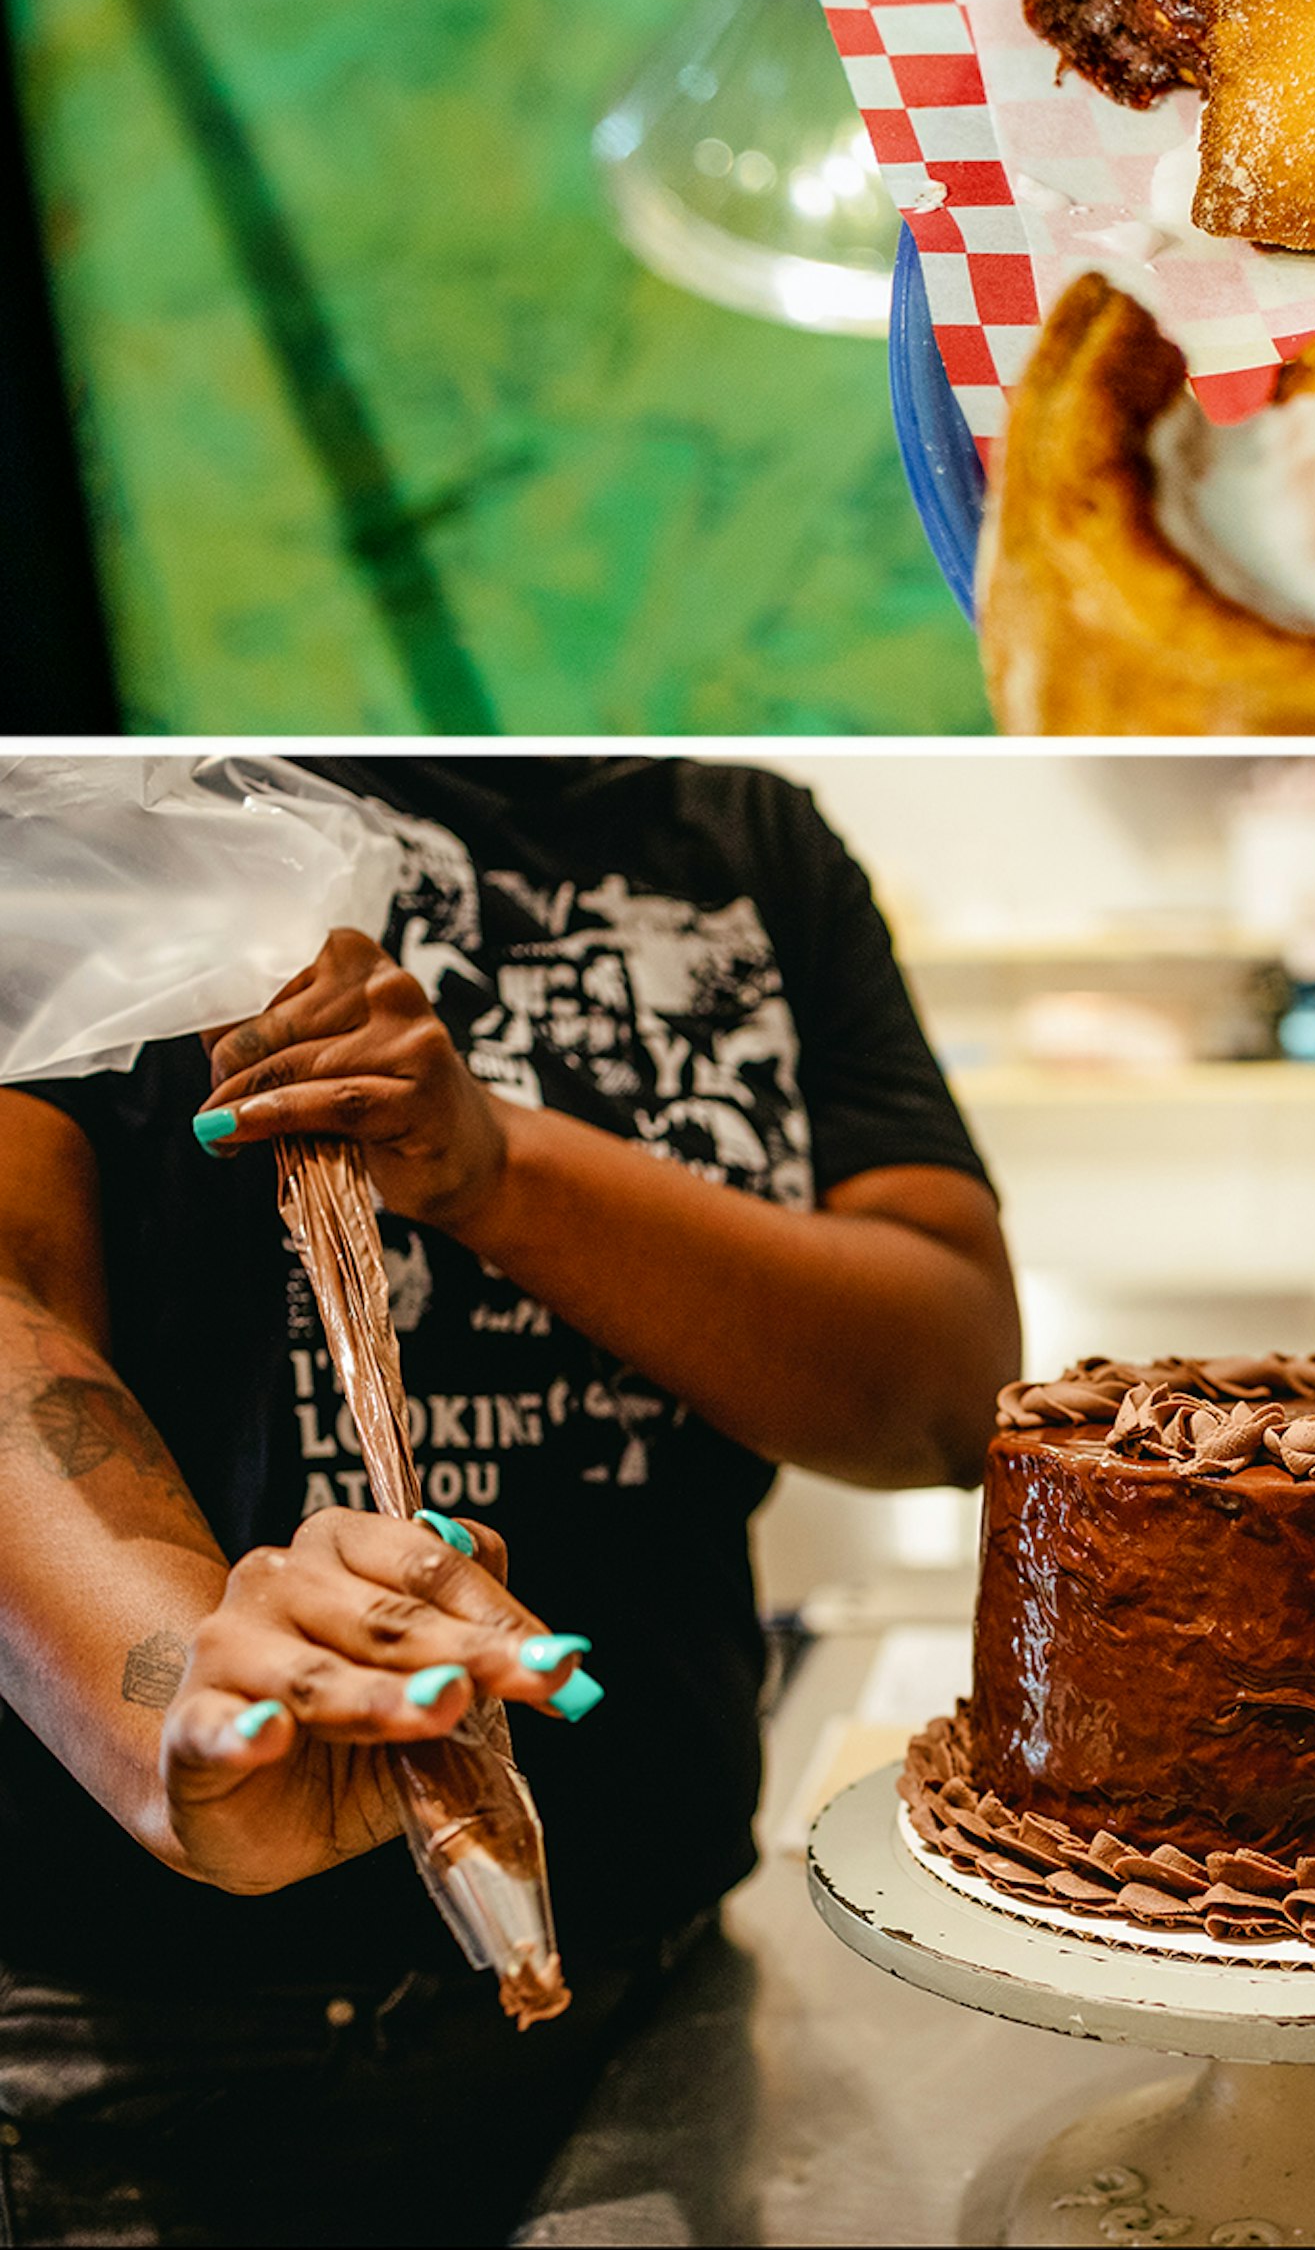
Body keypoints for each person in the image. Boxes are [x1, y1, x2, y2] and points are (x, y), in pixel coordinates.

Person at [0, 760, 1020, 2247]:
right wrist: (172, 1716)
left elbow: (945, 1386)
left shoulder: (744, 840)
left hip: (654, 1979)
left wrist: (491, 1163)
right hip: (167, 2065)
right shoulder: (84, 798)